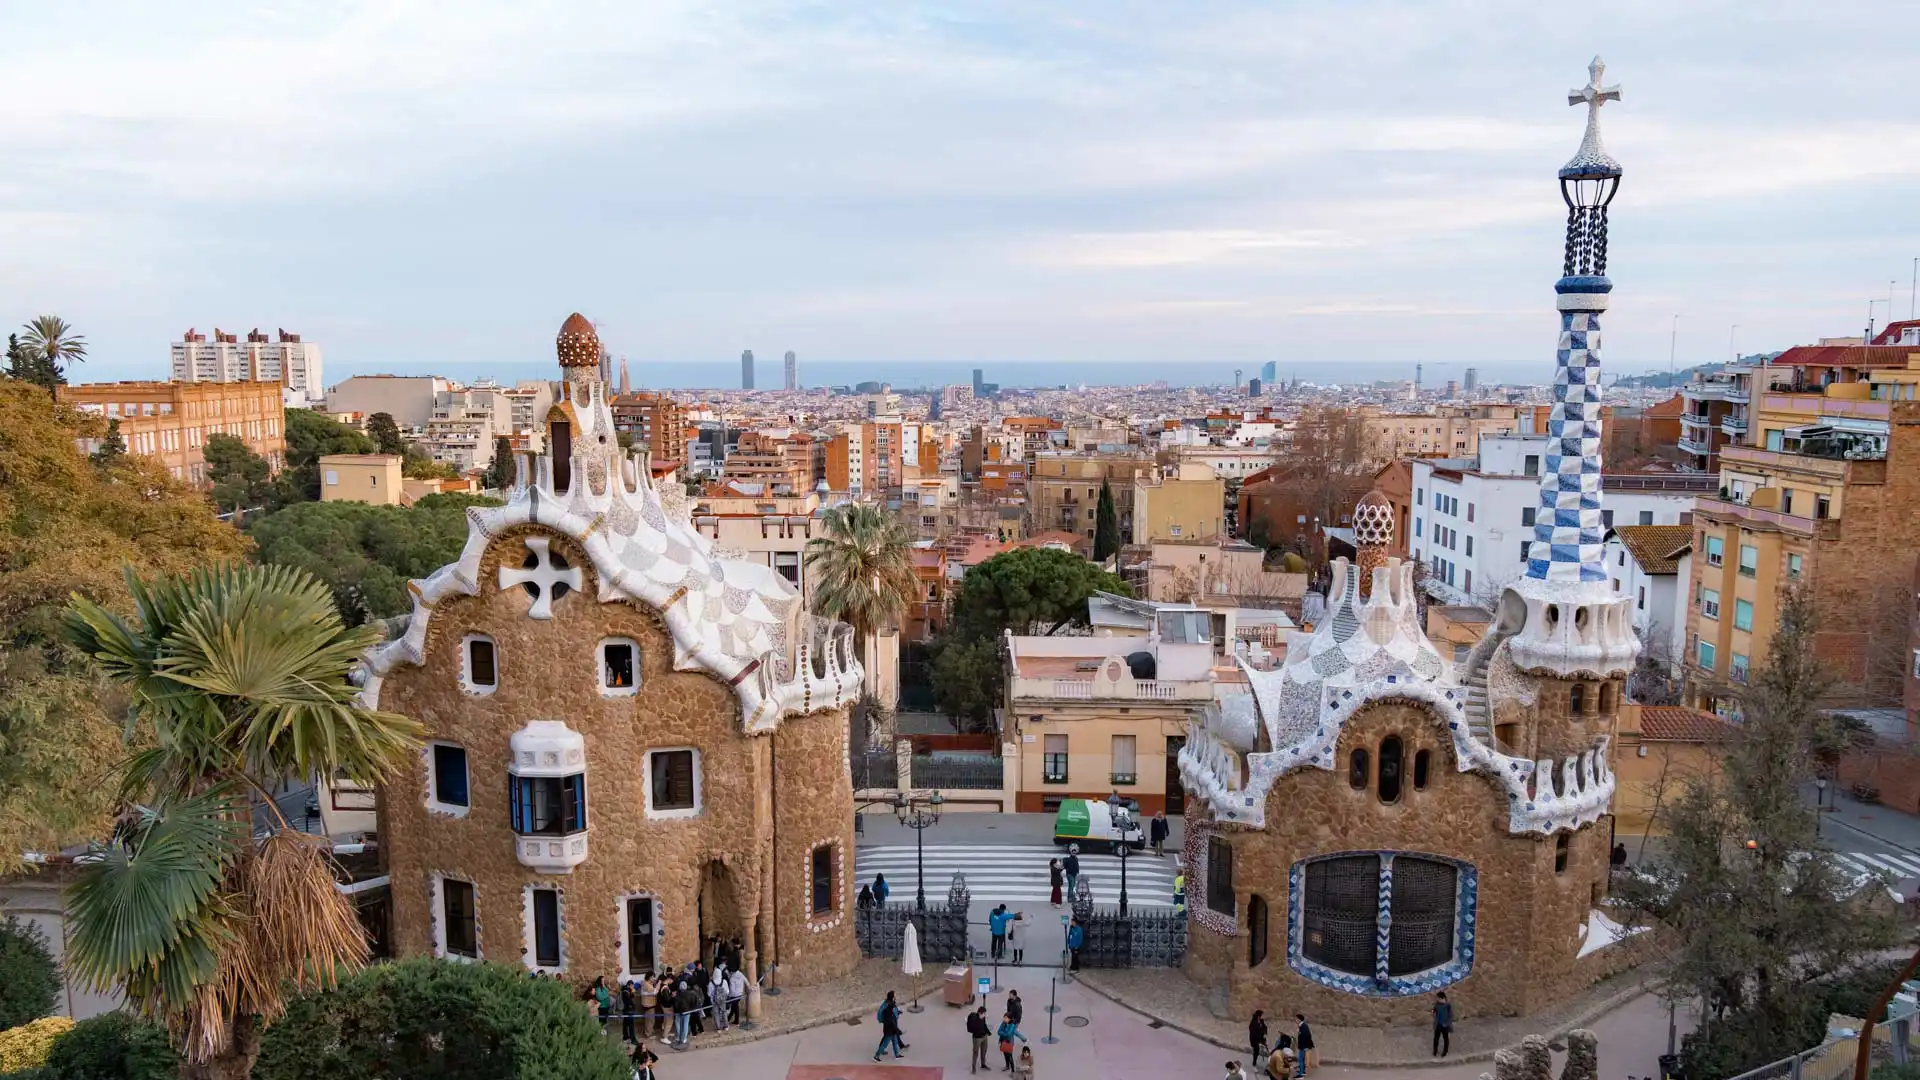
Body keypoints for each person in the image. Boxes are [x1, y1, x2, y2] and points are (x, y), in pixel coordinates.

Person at [873, 991, 906, 1061]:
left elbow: (893, 1015)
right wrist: (897, 1029)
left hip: (891, 1029)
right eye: (895, 995)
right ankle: (876, 1056)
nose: (896, 997)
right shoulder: (888, 1009)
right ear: (892, 997)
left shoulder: (890, 1006)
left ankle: (897, 1054)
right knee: (885, 1044)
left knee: (895, 1041)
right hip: (890, 1029)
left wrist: (898, 1012)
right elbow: (891, 1021)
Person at [967, 1005, 992, 1073]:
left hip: (984, 1037)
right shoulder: (974, 1019)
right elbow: (971, 1029)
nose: (985, 1015)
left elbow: (984, 1025)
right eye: (984, 1014)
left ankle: (983, 1064)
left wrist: (988, 1032)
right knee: (975, 1053)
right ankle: (973, 1068)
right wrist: (978, 1031)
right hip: (977, 1038)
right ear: (979, 1013)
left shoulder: (983, 1018)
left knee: (984, 1051)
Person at [709, 964, 730, 1031]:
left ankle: (718, 1028)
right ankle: (726, 1026)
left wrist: (713, 999)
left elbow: (709, 994)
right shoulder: (724, 982)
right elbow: (727, 991)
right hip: (722, 1000)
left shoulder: (711, 983)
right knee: (724, 1012)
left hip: (715, 1001)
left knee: (716, 1014)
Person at [1432, 991, 1453, 1058]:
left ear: (1442, 998)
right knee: (1436, 1039)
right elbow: (1434, 1009)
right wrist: (1433, 1011)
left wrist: (1446, 1023)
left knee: (1445, 1039)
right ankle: (1435, 1051)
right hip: (1438, 1024)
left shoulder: (1448, 1005)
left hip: (1445, 1025)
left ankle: (1445, 1051)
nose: (1437, 999)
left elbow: (1450, 1016)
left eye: (1438, 998)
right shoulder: (1437, 1004)